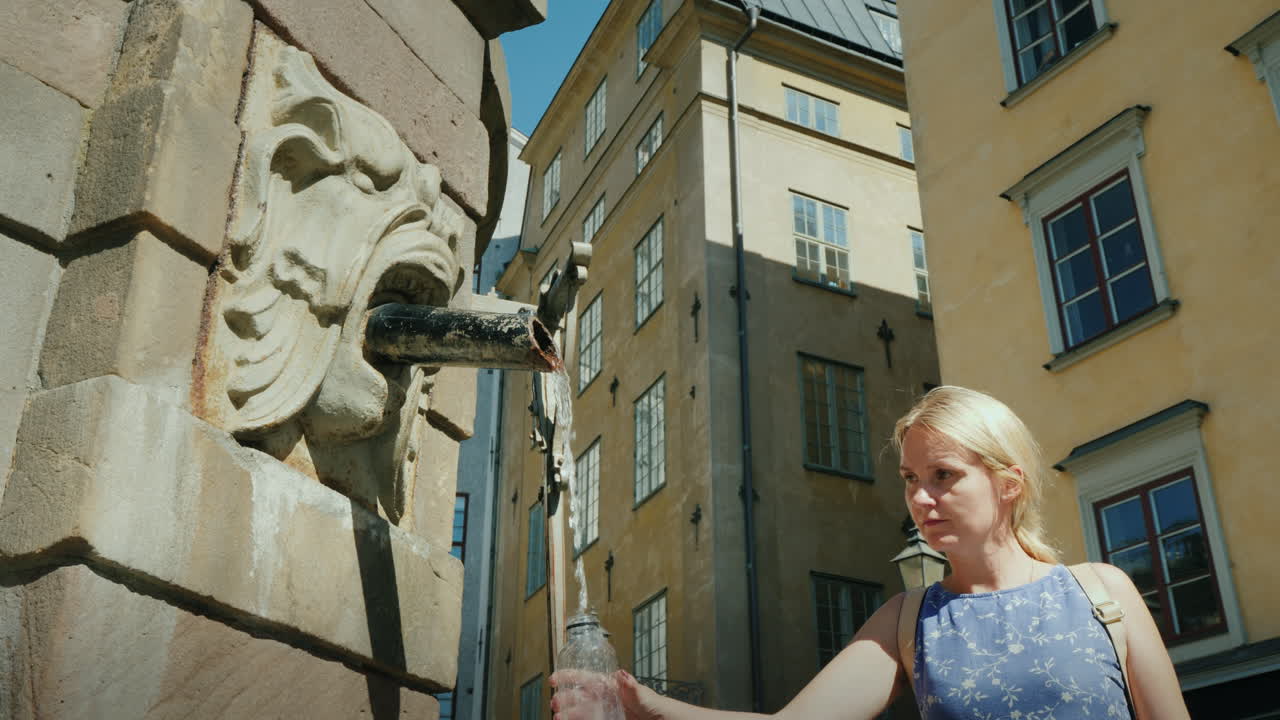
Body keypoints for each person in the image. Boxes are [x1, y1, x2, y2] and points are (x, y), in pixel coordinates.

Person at [550, 386, 1191, 720]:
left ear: (1008, 481)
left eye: (943, 476)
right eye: (911, 480)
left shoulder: (1101, 592)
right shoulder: (909, 622)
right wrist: (647, 705)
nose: (921, 498)